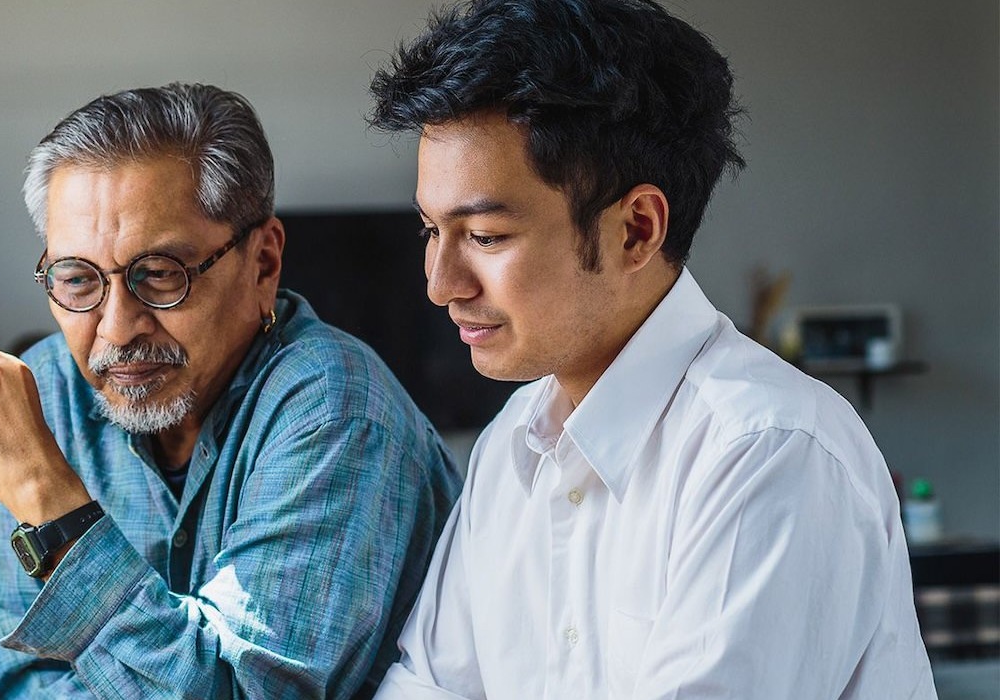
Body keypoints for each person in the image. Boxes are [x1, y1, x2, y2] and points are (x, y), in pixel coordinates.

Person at [364, 1, 937, 698]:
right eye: (430, 230)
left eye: (484, 236)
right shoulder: (511, 445)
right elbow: (424, 687)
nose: (440, 284)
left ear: (636, 230)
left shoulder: (769, 451)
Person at [0, 83, 460, 699]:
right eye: (76, 279)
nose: (117, 329)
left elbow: (239, 692)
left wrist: (44, 496)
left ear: (263, 263)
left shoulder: (335, 407)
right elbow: (26, 684)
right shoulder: (45, 393)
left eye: (159, 274)